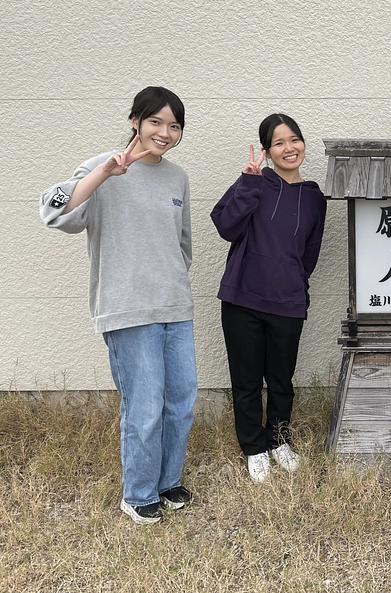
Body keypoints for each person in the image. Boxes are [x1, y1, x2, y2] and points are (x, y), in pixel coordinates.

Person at [40, 87, 197, 525]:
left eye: (174, 126)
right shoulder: (104, 166)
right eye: (156, 122)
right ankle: (138, 493)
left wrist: (171, 278)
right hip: (127, 308)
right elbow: (53, 212)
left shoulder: (177, 177)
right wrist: (104, 174)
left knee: (180, 402)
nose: (164, 133)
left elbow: (183, 245)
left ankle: (167, 482)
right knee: (144, 406)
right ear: (135, 121)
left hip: (175, 307)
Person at [211, 113, 327, 483]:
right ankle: (254, 447)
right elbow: (225, 226)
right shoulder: (254, 182)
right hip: (242, 299)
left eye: (294, 139)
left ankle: (278, 441)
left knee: (281, 380)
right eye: (278, 142)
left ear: (302, 144)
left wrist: (293, 283)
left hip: (287, 303)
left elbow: (309, 254)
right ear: (267, 150)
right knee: (246, 381)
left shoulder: (315, 198)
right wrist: (248, 183)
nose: (289, 148)